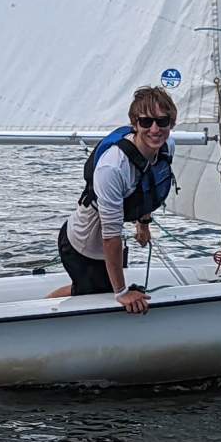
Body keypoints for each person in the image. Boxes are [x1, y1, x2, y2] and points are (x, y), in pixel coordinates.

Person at [49, 86, 177, 315]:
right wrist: (121, 292)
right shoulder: (113, 167)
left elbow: (148, 184)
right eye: (146, 122)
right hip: (84, 244)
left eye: (162, 121)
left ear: (171, 122)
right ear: (135, 124)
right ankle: (44, 309)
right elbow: (111, 237)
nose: (155, 129)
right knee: (94, 296)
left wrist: (143, 223)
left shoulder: (167, 147)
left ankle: (49, 304)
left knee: (97, 292)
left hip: (106, 245)